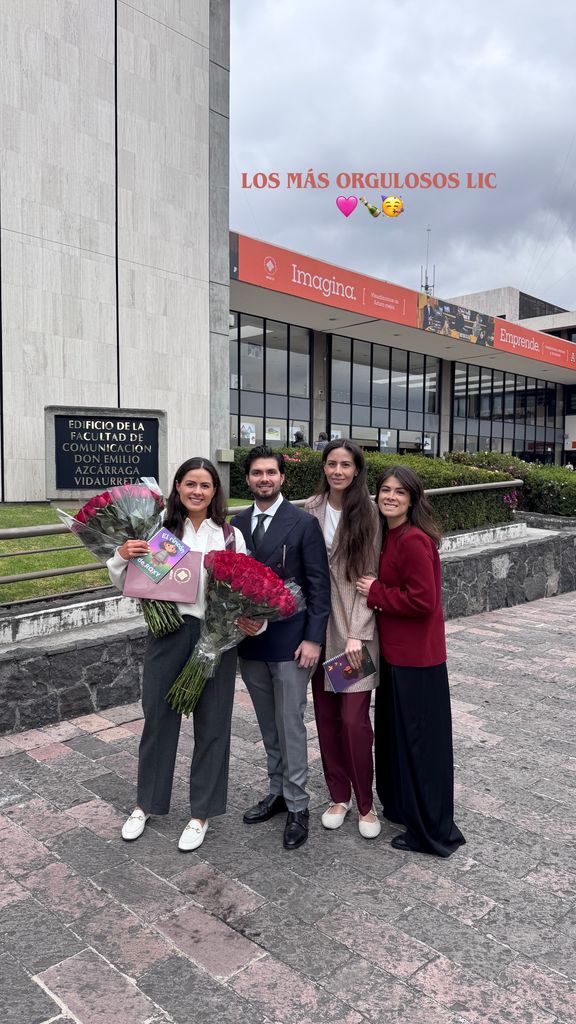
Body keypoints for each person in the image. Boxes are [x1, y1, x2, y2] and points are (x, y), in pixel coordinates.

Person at [107, 457, 248, 852]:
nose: (197, 491)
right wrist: (122, 555)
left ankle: (201, 813)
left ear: (215, 491)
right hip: (168, 633)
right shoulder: (160, 531)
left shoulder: (230, 537)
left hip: (215, 636)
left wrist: (251, 621)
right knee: (158, 718)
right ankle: (145, 804)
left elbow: (246, 590)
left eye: (205, 485)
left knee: (213, 724)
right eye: (190, 483)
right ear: (178, 487)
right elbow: (127, 580)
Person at [356, 466, 466, 857]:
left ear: (412, 499)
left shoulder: (415, 540)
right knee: (400, 740)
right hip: (396, 657)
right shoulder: (390, 535)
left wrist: (376, 592)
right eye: (385, 490)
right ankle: (405, 808)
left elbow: (423, 601)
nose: (390, 497)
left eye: (399, 492)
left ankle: (430, 830)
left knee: (420, 746)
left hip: (417, 661)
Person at [232, 446, 330, 849]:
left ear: (282, 478)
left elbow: (318, 586)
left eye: (270, 472)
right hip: (251, 643)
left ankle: (298, 804)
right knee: (268, 726)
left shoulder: (303, 523)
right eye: (257, 473)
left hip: (291, 644)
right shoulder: (236, 524)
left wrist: (314, 638)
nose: (264, 479)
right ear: (248, 479)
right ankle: (276, 792)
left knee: (290, 725)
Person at [305, 440, 381, 839]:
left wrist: (357, 633)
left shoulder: (369, 512)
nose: (338, 471)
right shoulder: (311, 508)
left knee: (353, 720)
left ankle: (366, 803)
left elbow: (371, 578)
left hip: (352, 634)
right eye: (332, 463)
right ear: (324, 467)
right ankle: (339, 796)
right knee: (327, 717)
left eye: (345, 465)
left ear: (356, 470)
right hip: (320, 631)